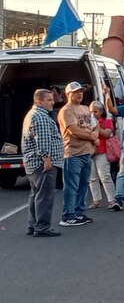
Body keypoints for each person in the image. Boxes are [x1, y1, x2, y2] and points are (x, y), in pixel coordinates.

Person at [22, 89, 64, 237]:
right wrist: (47, 158)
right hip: (42, 164)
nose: (53, 102)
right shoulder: (41, 117)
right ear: (39, 101)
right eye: (49, 100)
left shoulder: (32, 114)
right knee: (45, 196)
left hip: (33, 163)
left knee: (35, 195)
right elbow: (43, 141)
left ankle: (32, 225)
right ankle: (42, 227)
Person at [57, 81, 98, 227]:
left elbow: (95, 125)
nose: (79, 94)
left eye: (81, 91)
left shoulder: (86, 109)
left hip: (86, 153)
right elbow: (74, 130)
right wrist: (92, 137)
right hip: (73, 153)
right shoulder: (66, 111)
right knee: (71, 186)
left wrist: (95, 137)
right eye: (75, 92)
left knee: (83, 185)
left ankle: (79, 212)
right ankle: (68, 215)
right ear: (68, 94)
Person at [87, 101, 117, 209]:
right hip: (90, 152)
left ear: (101, 112)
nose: (93, 113)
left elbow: (107, 134)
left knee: (104, 176)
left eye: (95, 111)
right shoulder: (87, 122)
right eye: (91, 111)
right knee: (92, 178)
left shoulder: (107, 121)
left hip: (102, 152)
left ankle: (112, 199)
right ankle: (96, 200)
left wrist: (97, 127)